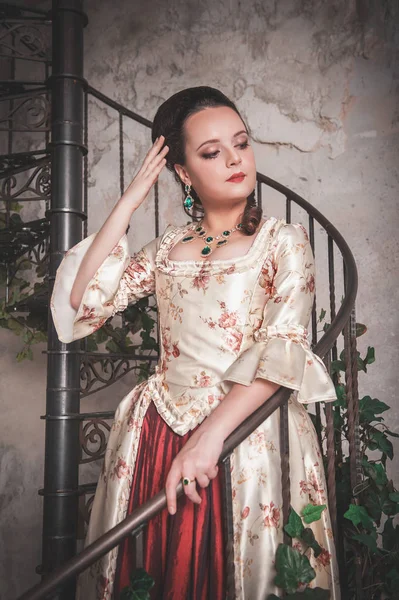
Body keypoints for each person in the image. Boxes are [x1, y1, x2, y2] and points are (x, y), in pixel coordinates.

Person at [50, 86, 340, 600]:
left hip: (246, 434)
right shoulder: (166, 247)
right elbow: (83, 300)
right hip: (157, 431)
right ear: (183, 172)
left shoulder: (283, 242)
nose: (234, 160)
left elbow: (282, 352)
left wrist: (209, 439)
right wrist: (130, 199)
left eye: (241, 144)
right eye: (211, 152)